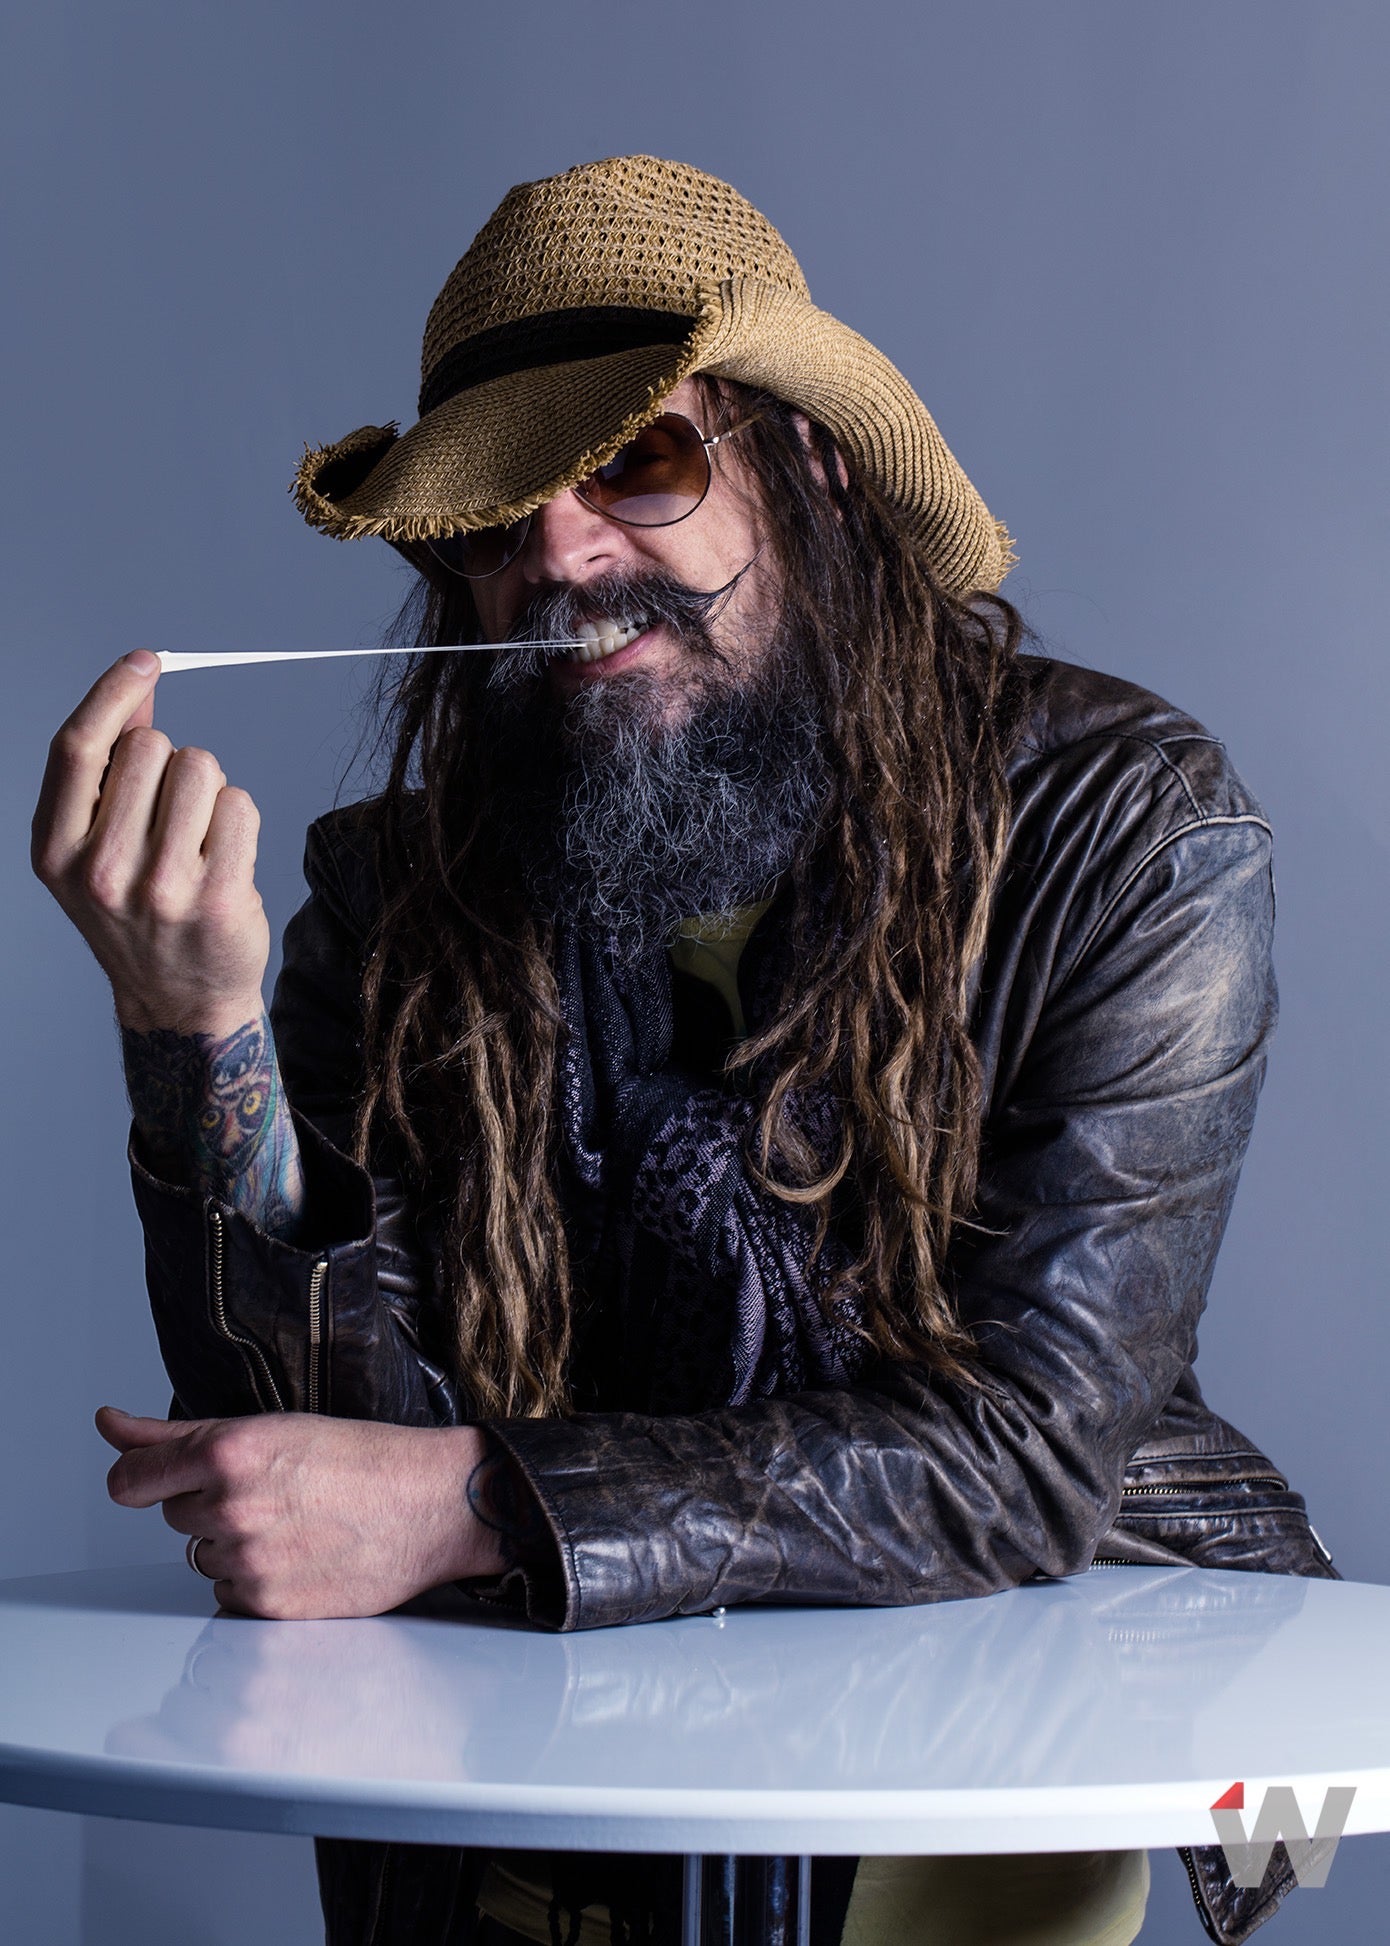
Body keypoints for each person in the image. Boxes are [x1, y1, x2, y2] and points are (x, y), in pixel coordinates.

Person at [32, 156, 1335, 1946]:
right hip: (516, 1808)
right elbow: (310, 1500)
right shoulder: (398, 897)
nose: (559, 555)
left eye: (637, 462)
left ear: (806, 468)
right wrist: (192, 1032)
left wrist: (482, 1498)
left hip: (972, 1792)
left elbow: (1028, 1448)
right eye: (492, 515)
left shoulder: (1127, 836)